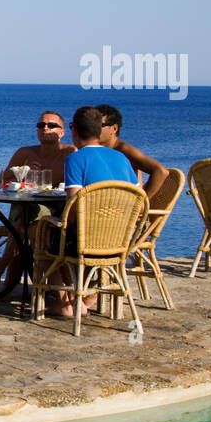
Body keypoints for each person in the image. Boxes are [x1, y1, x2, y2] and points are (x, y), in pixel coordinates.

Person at [38, 106, 139, 317]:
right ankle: (85, 299)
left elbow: (74, 208)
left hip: (88, 241)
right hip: (120, 241)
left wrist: (55, 221)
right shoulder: (121, 158)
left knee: (38, 233)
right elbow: (139, 198)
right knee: (59, 236)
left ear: (74, 131)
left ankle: (64, 301)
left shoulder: (76, 159)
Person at [0, 111, 77, 284]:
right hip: (27, 204)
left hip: (59, 209)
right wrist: (23, 173)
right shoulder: (25, 153)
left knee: (21, 228)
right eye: (41, 125)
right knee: (23, 220)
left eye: (51, 125)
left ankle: (2, 267)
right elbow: (3, 181)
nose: (45, 128)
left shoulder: (70, 153)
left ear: (62, 132)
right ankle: (13, 283)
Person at [95, 104, 169, 199]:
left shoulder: (123, 149)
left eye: (99, 125)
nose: (93, 129)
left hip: (121, 209)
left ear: (114, 129)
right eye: (91, 125)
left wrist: (141, 203)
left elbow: (161, 171)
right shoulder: (96, 150)